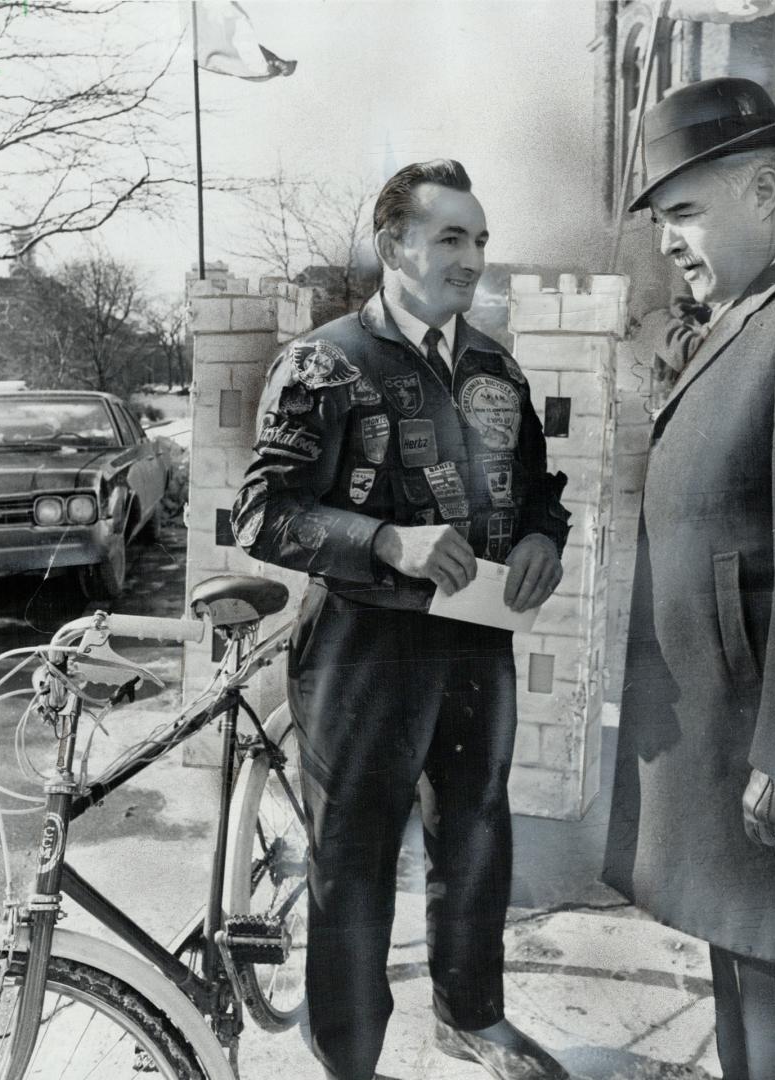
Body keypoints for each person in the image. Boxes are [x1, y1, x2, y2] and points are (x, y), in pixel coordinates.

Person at [232, 159, 571, 1080]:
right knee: (355, 855)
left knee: (476, 832)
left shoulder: (496, 364)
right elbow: (263, 512)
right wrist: (385, 541)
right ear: (394, 246)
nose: (472, 259)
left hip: (476, 635)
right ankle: (349, 1057)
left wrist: (543, 537)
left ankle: (470, 1016)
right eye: (450, 238)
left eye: (481, 240)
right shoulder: (324, 359)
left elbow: (541, 493)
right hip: (362, 646)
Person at [603, 78, 775, 1080]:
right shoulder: (766, 305)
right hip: (736, 769)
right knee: (751, 1032)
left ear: (762, 189)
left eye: (684, 212)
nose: (666, 241)